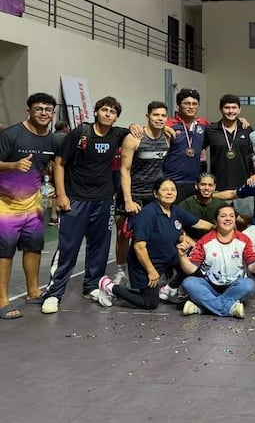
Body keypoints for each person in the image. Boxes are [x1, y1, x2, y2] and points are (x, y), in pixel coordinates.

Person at [41, 97, 132, 314]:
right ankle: (54, 293)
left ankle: (92, 286)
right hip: (76, 199)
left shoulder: (117, 134)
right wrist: (61, 195)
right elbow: (59, 164)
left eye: (112, 112)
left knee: (100, 247)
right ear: (96, 112)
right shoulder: (79, 133)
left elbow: (136, 131)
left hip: (103, 200)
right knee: (68, 247)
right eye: (104, 110)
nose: (108, 114)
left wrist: (136, 126)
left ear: (116, 117)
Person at [96, 178, 213, 310]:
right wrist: (151, 271)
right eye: (165, 190)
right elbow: (139, 247)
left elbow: (199, 223)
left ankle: (169, 289)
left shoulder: (175, 210)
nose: (170, 193)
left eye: (173, 189)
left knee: (194, 260)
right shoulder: (147, 214)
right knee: (150, 303)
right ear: (156, 194)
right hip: (146, 263)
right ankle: (109, 287)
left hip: (168, 257)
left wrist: (220, 228)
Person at [0, 93, 58, 319]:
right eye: (38, 108)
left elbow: (52, 167)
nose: (43, 113)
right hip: (5, 205)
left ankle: (33, 292)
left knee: (33, 247)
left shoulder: (52, 140)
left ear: (53, 113)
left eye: (48, 109)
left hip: (34, 205)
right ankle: (2, 300)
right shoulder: (12, 135)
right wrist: (13, 165)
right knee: (4, 251)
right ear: (29, 111)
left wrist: (53, 185)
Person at [114, 101, 170, 286]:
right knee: (124, 234)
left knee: (151, 235)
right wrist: (128, 200)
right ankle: (120, 272)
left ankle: (149, 271)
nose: (159, 118)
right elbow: (124, 170)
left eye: (163, 115)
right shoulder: (134, 138)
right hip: (132, 194)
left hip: (153, 196)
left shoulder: (167, 136)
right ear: (148, 116)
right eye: (156, 115)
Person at [176, 206, 255, 318]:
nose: (228, 219)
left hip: (234, 287)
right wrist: (182, 255)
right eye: (223, 216)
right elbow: (190, 269)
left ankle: (202, 308)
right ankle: (228, 308)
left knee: (248, 285)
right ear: (215, 221)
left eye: (231, 216)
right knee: (189, 283)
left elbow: (253, 269)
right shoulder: (205, 241)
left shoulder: (244, 240)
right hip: (209, 287)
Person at [205, 95, 254, 215]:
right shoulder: (211, 130)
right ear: (220, 109)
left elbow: (254, 156)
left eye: (234, 107)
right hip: (218, 189)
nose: (231, 111)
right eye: (227, 107)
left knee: (244, 222)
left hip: (243, 188)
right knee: (220, 222)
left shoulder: (247, 129)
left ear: (239, 110)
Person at [164, 88, 209, 203]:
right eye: (187, 103)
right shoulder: (168, 125)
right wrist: (134, 126)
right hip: (172, 181)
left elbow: (223, 127)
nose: (191, 107)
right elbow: (149, 131)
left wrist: (240, 121)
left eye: (194, 104)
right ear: (178, 105)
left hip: (195, 182)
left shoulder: (203, 124)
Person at [178, 172, 229, 240]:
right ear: (196, 186)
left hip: (215, 242)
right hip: (192, 242)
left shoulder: (221, 205)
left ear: (214, 187)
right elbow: (178, 227)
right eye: (203, 184)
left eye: (210, 185)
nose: (207, 188)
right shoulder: (185, 205)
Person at [48, 120, 70, 226]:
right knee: (64, 190)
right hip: (65, 168)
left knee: (54, 192)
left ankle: (53, 217)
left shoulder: (50, 137)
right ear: (65, 127)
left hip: (52, 168)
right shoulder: (67, 137)